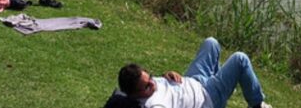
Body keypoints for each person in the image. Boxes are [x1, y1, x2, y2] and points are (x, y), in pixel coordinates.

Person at [115, 38, 270, 108]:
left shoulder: (147, 83)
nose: (152, 83)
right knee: (240, 59)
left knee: (211, 43)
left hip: (193, 80)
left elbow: (153, 82)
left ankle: (225, 83)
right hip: (207, 97)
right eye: (147, 86)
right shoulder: (155, 105)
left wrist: (165, 74)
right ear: (135, 95)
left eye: (150, 77)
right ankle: (257, 104)